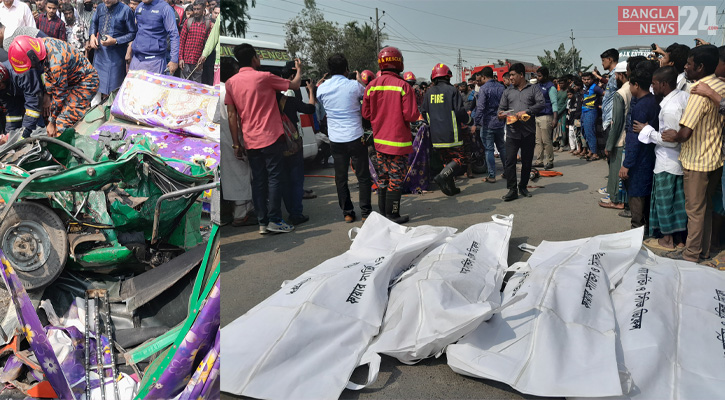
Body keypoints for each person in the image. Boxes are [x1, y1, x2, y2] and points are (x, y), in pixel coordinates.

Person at [224, 43, 301, 234]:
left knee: (258, 180)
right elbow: (295, 85)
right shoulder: (264, 77)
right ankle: (275, 219)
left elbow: (232, 115)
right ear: (254, 58)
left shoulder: (231, 83)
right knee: (274, 178)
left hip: (250, 140)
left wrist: (236, 143)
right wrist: (299, 70)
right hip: (271, 137)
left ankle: (262, 222)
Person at [662, 44, 725, 262]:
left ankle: (691, 254)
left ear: (700, 66)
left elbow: (686, 132)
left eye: (689, 64)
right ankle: (703, 250)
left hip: (697, 160)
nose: (685, 68)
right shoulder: (720, 86)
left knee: (695, 211)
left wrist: (673, 135)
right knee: (705, 209)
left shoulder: (699, 91)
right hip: (715, 158)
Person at [632, 66, 689, 250]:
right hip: (679, 161)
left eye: (655, 84)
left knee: (666, 204)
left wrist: (647, 130)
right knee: (678, 204)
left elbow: (671, 141)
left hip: (667, 162)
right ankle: (680, 240)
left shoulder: (670, 108)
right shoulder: (682, 96)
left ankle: (667, 240)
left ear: (664, 84)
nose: (652, 87)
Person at [362, 46, 419, 223]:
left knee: (383, 178)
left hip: (379, 142)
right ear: (398, 63)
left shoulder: (371, 86)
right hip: (398, 143)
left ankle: (383, 215)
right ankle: (393, 215)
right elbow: (410, 115)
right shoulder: (403, 86)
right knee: (396, 178)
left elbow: (366, 114)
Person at [317, 53, 372, 223]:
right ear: (347, 69)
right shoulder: (354, 86)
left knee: (341, 178)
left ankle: (348, 213)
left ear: (330, 70)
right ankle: (365, 213)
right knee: (363, 176)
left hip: (336, 139)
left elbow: (319, 99)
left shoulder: (322, 88)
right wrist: (360, 81)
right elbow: (369, 95)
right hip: (356, 137)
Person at [8, 35, 99, 137]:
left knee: (62, 122)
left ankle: (67, 149)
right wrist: (48, 93)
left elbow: (60, 95)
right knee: (54, 113)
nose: (31, 69)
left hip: (86, 82)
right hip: (70, 81)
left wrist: (52, 122)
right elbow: (47, 72)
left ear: (33, 57)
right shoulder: (42, 44)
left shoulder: (56, 63)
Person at [619, 67, 660, 230]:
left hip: (639, 159)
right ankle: (646, 228)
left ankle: (637, 229)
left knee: (636, 192)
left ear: (636, 85)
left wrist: (626, 164)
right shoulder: (653, 100)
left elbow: (635, 139)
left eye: (630, 85)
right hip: (649, 156)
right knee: (646, 193)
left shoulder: (641, 107)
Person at [421, 63, 471, 196]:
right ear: (448, 76)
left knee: (447, 161)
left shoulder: (428, 92)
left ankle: (451, 188)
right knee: (460, 159)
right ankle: (442, 176)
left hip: (436, 135)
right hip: (452, 133)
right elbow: (460, 111)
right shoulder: (452, 90)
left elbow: (424, 112)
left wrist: (433, 125)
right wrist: (469, 121)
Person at [497, 62, 545, 201]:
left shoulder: (533, 89)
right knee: (510, 161)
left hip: (528, 131)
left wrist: (528, 111)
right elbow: (500, 110)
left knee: (527, 161)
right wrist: (501, 115)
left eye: (512, 75)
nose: (510, 78)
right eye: (509, 75)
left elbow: (541, 103)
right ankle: (512, 189)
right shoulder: (507, 92)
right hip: (512, 132)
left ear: (521, 75)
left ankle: (523, 186)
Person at [277, 61, 315, 226]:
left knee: (284, 180)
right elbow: (310, 109)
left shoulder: (270, 98)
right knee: (296, 179)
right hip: (292, 142)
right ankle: (296, 213)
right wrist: (311, 92)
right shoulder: (290, 98)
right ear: (292, 78)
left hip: (276, 142)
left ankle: (287, 210)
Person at [88, 0, 136, 101]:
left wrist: (115, 41)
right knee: (95, 88)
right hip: (99, 56)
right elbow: (94, 22)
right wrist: (92, 36)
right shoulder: (100, 7)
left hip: (116, 58)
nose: (106, 0)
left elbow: (132, 33)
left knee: (114, 93)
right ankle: (95, 115)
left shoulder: (125, 10)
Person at [601, 61, 630, 210]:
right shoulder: (633, 89)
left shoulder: (620, 94)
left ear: (620, 75)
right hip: (628, 136)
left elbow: (617, 122)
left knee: (615, 170)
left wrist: (609, 144)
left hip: (620, 138)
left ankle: (615, 200)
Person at [130, 0, 179, 75]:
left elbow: (174, 34)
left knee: (152, 87)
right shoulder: (139, 7)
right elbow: (138, 32)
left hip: (154, 62)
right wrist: (130, 48)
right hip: (136, 59)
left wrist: (174, 60)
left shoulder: (165, 8)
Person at [475, 66, 505, 183]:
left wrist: (475, 122)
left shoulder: (484, 89)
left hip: (487, 123)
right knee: (502, 147)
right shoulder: (501, 87)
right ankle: (507, 171)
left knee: (489, 150)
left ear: (483, 76)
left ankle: (492, 176)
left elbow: (481, 107)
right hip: (500, 122)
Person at [0, 60, 43, 139]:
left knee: (39, 127)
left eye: (0, 85)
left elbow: (33, 101)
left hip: (45, 89)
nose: (0, 88)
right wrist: (9, 135)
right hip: (27, 93)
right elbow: (12, 110)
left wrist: (26, 130)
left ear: (4, 77)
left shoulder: (21, 73)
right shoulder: (3, 88)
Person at [532, 66, 557, 170]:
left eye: (540, 76)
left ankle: (550, 161)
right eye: (537, 75)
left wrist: (555, 118)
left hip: (546, 116)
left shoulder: (551, 87)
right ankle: (539, 160)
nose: (538, 77)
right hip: (537, 116)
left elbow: (554, 103)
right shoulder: (537, 86)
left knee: (546, 140)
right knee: (538, 140)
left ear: (546, 76)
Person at [179, 0, 210, 82]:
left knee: (196, 87)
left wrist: (203, 59)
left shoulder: (207, 24)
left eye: (198, 9)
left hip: (198, 62)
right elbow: (181, 41)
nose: (196, 12)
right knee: (183, 85)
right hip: (186, 61)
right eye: (194, 9)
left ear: (203, 9)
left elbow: (208, 45)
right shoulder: (188, 22)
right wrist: (181, 58)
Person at [581, 71, 603, 160]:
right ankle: (590, 151)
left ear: (592, 79)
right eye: (584, 79)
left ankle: (595, 153)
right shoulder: (585, 88)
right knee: (584, 132)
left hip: (591, 111)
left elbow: (605, 94)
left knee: (590, 132)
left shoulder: (595, 88)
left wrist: (600, 105)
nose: (586, 81)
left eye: (588, 79)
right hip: (584, 112)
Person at [599, 48, 620, 147]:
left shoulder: (617, 75)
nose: (602, 63)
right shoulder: (612, 76)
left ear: (610, 59)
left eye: (603, 60)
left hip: (612, 119)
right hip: (607, 119)